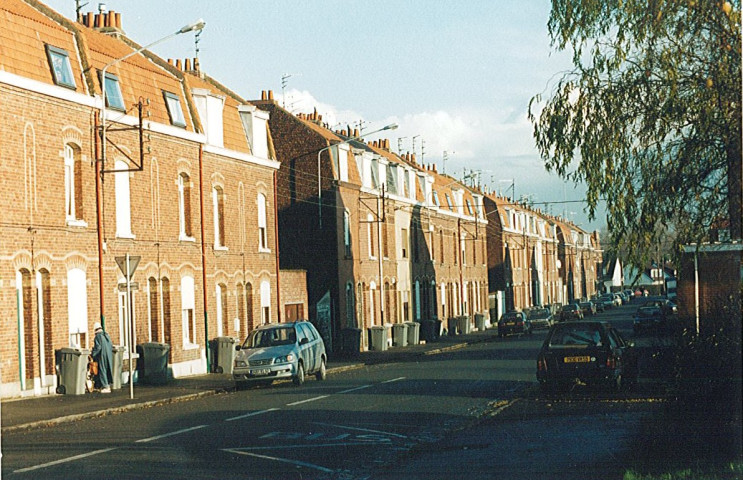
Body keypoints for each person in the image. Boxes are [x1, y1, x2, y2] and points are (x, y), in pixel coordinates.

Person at [91, 322, 113, 393]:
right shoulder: (106, 335)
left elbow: (98, 347)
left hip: (102, 355)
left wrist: (93, 354)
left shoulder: (98, 337)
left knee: (102, 370)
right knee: (107, 369)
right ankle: (107, 385)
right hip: (109, 355)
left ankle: (105, 386)